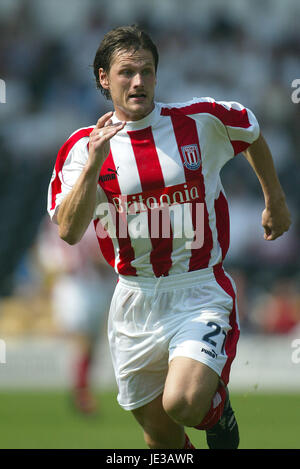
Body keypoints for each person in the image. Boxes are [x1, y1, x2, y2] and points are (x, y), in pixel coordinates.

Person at [47, 25, 291, 449]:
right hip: (133, 299)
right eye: (126, 72)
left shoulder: (199, 120)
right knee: (161, 438)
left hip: (198, 289)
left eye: (146, 71)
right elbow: (68, 231)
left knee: (183, 403)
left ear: (157, 76)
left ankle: (219, 413)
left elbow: (249, 130)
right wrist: (93, 168)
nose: (138, 81)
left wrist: (276, 200)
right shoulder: (81, 148)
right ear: (104, 78)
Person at [37, 217, 115, 414]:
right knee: (82, 339)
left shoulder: (102, 212)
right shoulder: (58, 216)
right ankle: (81, 392)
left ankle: (81, 387)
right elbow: (49, 253)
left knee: (92, 341)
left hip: (99, 283)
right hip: (75, 284)